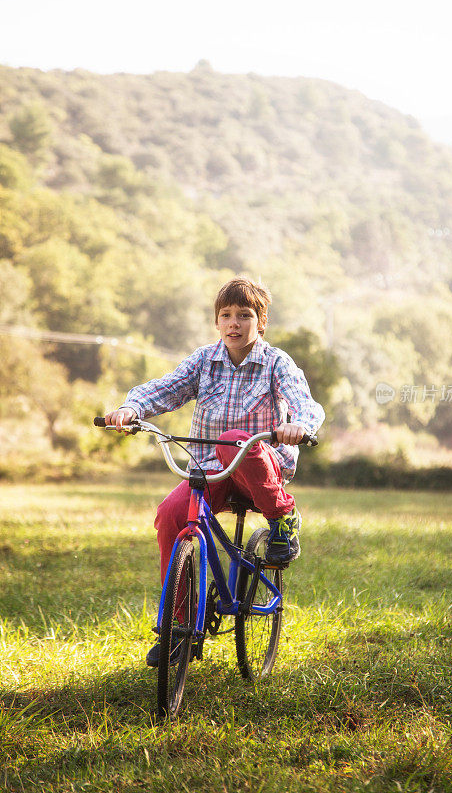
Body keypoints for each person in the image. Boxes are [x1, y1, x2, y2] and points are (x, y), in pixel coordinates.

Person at [104, 276, 324, 666]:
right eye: (226, 315)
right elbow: (166, 388)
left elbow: (304, 403)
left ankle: (282, 517)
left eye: (244, 315)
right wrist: (132, 409)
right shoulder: (205, 360)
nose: (234, 323)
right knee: (171, 515)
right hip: (210, 471)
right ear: (217, 322)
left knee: (235, 438)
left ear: (261, 321)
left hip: (259, 466)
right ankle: (185, 628)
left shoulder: (276, 363)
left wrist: (300, 426)